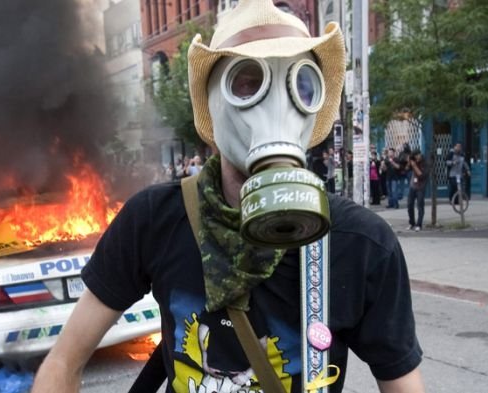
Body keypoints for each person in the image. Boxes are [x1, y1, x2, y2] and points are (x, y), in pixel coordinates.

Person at [31, 2, 424, 392]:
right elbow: (64, 360)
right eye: (247, 82)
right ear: (213, 104)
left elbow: (402, 384)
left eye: (301, 85)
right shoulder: (154, 219)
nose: (276, 107)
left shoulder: (362, 245)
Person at [407, 150, 428, 231]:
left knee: (420, 206)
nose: (416, 158)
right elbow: (405, 169)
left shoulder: (425, 163)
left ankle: (419, 224)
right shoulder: (413, 161)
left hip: (420, 187)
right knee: (409, 205)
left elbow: (421, 175)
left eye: (417, 155)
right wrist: (409, 162)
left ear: (420, 154)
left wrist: (414, 165)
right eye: (415, 156)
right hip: (412, 186)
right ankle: (411, 223)